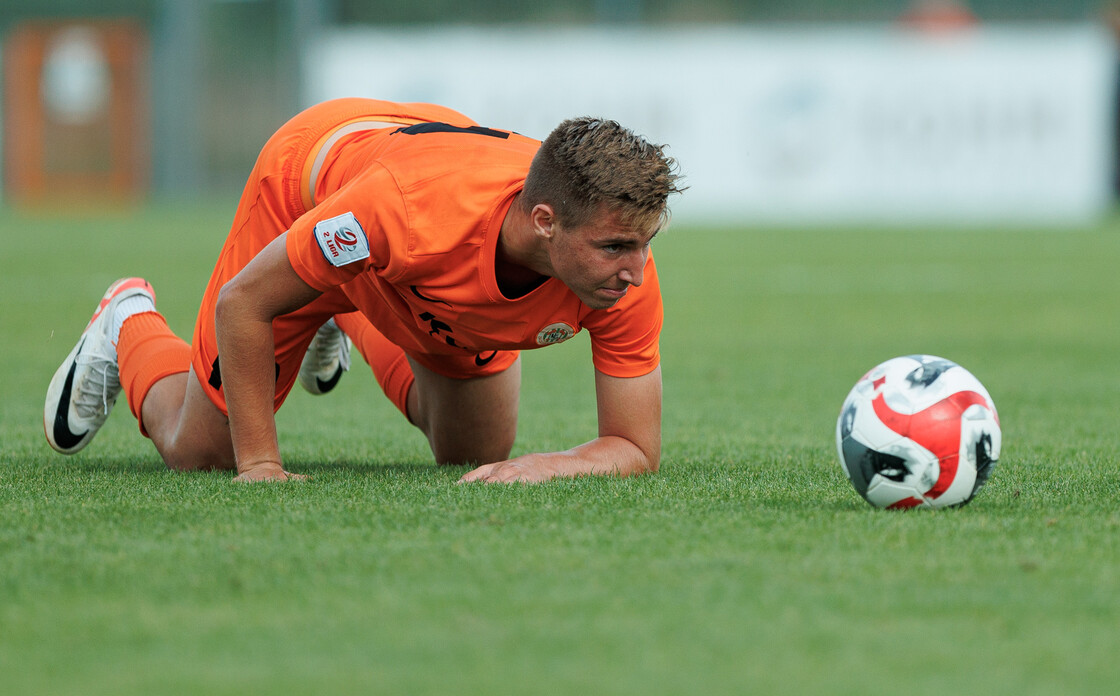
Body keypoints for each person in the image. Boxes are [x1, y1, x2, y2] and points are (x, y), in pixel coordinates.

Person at [44, 97, 683, 484]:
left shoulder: (623, 270)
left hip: (406, 213)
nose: (636, 269)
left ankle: (334, 311)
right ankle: (127, 318)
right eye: (615, 248)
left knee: (475, 451)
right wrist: (262, 467)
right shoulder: (401, 214)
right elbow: (244, 302)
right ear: (545, 223)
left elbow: (632, 445)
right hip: (311, 187)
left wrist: (554, 463)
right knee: (202, 450)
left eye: (644, 243)